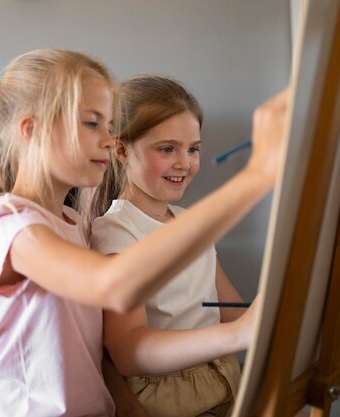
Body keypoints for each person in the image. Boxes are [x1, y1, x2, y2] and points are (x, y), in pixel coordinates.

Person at [0, 47, 289, 417]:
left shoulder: (73, 224)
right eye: (90, 123)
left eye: (110, 126)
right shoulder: (9, 227)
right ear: (31, 129)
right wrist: (258, 175)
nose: (106, 139)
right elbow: (114, 286)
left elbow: (97, 350)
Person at [87, 75, 252, 417]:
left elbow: (228, 305)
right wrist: (237, 333)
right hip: (169, 395)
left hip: (223, 374)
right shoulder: (116, 232)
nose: (184, 162)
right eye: (167, 149)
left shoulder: (190, 220)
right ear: (120, 150)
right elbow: (128, 350)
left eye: (193, 149)